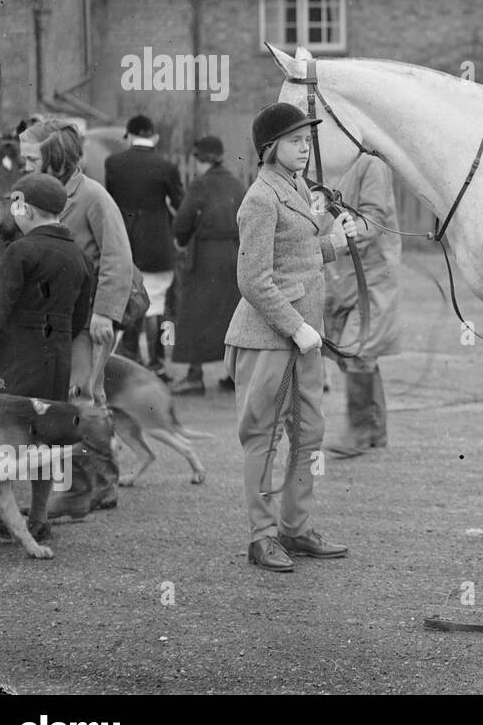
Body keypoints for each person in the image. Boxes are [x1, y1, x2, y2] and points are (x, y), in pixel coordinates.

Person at [224, 102, 358, 573]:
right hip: (268, 339)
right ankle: (262, 539)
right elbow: (254, 278)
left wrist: (333, 245)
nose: (305, 148)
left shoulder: (296, 187)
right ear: (269, 148)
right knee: (261, 438)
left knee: (309, 433)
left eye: (307, 140)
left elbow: (296, 257)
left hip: (303, 338)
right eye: (296, 140)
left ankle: (295, 530)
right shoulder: (260, 199)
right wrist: (298, 327)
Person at [17, 119, 135, 517]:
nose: (25, 164)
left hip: (89, 319)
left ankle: (99, 487)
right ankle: (85, 484)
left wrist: (104, 313)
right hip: (56, 320)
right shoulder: (36, 196)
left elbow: (118, 258)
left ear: (53, 157)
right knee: (76, 397)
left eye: (31, 157)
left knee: (82, 396)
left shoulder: (93, 197)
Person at [0, 172, 93, 543]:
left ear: (24, 206)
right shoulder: (79, 256)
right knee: (47, 439)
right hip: (56, 359)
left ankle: (0, 515)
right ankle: (39, 516)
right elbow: (80, 317)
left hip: (15, 359)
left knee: (7, 437)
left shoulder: (21, 251)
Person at [321, 153, 403, 458]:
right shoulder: (331, 164)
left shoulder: (371, 165)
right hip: (345, 276)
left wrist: (343, 238)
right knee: (358, 354)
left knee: (357, 349)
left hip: (373, 273)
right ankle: (375, 432)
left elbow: (373, 219)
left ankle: (359, 432)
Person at [104, 115, 184, 381]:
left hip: (125, 244)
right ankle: (157, 363)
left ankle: (129, 358)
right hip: (157, 245)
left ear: (127, 135)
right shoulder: (166, 167)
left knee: (129, 300)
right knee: (157, 305)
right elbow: (178, 204)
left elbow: (112, 203)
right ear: (154, 137)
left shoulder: (113, 163)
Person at [168, 136, 246, 395]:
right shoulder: (236, 184)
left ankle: (194, 376)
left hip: (206, 256)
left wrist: (180, 242)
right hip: (235, 255)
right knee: (231, 314)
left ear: (201, 160)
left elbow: (182, 222)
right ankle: (234, 376)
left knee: (196, 312)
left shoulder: (200, 185)